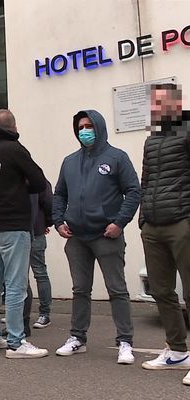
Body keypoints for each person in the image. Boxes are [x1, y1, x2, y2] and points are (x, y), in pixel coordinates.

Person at [53, 109, 141, 364]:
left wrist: (119, 223)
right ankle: (77, 338)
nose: (84, 131)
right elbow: (59, 194)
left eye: (89, 126)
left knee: (117, 290)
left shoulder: (117, 157)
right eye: (80, 127)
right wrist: (58, 221)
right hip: (77, 238)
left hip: (107, 235)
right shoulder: (69, 161)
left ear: (99, 127)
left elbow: (134, 191)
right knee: (80, 290)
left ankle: (125, 342)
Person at [0, 110, 49, 358]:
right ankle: (16, 342)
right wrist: (21, 184)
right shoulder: (15, 149)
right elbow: (40, 181)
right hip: (13, 224)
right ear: (13, 127)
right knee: (16, 285)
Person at [138, 83, 190, 385]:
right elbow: (146, 181)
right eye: (153, 104)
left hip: (182, 221)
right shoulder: (151, 140)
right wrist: (144, 219)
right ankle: (177, 351)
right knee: (161, 290)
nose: (156, 108)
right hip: (153, 225)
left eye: (161, 102)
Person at [30, 182, 54, 329]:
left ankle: (45, 313)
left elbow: (49, 204)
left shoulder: (39, 179)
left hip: (35, 231)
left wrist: (46, 223)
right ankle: (20, 313)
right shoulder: (37, 178)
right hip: (32, 229)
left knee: (39, 272)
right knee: (21, 275)